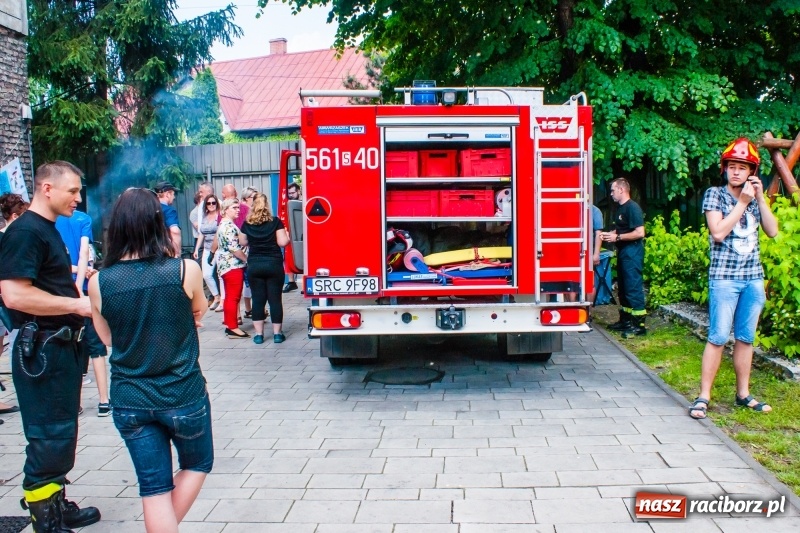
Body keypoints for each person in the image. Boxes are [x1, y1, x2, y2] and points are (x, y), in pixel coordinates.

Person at [87, 188, 212, 533]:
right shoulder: (185, 269)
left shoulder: (99, 282)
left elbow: (109, 338)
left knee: (154, 487)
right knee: (198, 463)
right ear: (158, 223)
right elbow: (199, 309)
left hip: (130, 399)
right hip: (182, 393)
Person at [0, 161, 101, 532]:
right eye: (72, 190)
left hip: (59, 348)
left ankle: (56, 502)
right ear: (47, 189)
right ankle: (45, 520)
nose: (78, 198)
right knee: (48, 436)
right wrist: (76, 305)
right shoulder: (25, 232)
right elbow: (13, 295)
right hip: (40, 351)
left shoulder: (47, 229)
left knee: (61, 432)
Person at [689, 138, 779, 420]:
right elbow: (718, 232)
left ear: (752, 171)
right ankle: (703, 396)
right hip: (725, 278)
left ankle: (743, 394)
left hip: (752, 278)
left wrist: (761, 199)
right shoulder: (714, 195)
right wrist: (742, 203)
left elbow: (773, 231)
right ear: (724, 168)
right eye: (732, 166)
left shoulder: (754, 199)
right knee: (717, 337)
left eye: (743, 167)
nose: (737, 172)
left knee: (745, 338)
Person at [55, 210, 111, 417]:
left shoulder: (50, 219)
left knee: (71, 346)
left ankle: (74, 402)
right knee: (96, 346)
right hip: (85, 289)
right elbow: (84, 253)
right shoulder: (83, 219)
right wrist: (80, 283)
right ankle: (104, 401)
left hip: (61, 289)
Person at [240, 193, 290, 344]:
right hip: (273, 264)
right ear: (267, 206)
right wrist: (287, 234)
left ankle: (259, 335)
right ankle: (277, 334)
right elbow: (282, 243)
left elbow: (242, 241)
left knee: (258, 300)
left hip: (255, 264)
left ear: (253, 206)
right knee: (275, 300)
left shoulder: (247, 223)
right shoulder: (275, 222)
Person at [601, 178, 646, 336]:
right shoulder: (620, 209)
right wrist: (610, 235)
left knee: (633, 287)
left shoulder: (632, 208)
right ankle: (626, 320)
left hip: (632, 252)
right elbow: (621, 230)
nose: (611, 194)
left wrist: (617, 238)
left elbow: (639, 232)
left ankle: (638, 325)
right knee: (624, 288)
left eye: (613, 190)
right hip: (623, 252)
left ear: (621, 190)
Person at [216, 198, 249, 339]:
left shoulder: (226, 224)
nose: (238, 210)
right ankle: (232, 327)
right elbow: (234, 249)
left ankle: (231, 325)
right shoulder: (228, 227)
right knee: (233, 297)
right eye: (234, 207)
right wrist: (247, 260)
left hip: (227, 265)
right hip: (232, 266)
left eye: (238, 207)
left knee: (231, 296)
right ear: (225, 210)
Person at [193, 194, 221, 310]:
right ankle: (216, 296)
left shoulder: (220, 216)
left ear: (217, 204)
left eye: (213, 203)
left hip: (219, 249)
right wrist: (196, 249)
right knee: (206, 275)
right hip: (207, 249)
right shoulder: (204, 216)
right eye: (208, 203)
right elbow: (201, 234)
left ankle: (223, 300)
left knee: (221, 275)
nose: (211, 205)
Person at [283, 182, 301, 293]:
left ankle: (306, 281)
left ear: (299, 191)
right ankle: (291, 282)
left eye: (293, 192)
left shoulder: (306, 201)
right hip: (292, 232)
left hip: (303, 233)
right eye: (289, 193)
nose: (291, 195)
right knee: (289, 255)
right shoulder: (287, 203)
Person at [155, 181, 181, 255]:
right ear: (167, 194)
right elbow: (174, 231)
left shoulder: (148, 209)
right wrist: (176, 254)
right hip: (165, 252)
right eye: (173, 194)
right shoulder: (169, 210)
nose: (174, 197)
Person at [590, 204, 604, 304]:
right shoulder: (595, 210)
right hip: (572, 251)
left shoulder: (594, 210)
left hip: (586, 252)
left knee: (589, 282)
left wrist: (596, 254)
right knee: (572, 282)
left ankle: (588, 311)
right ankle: (575, 310)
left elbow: (598, 233)